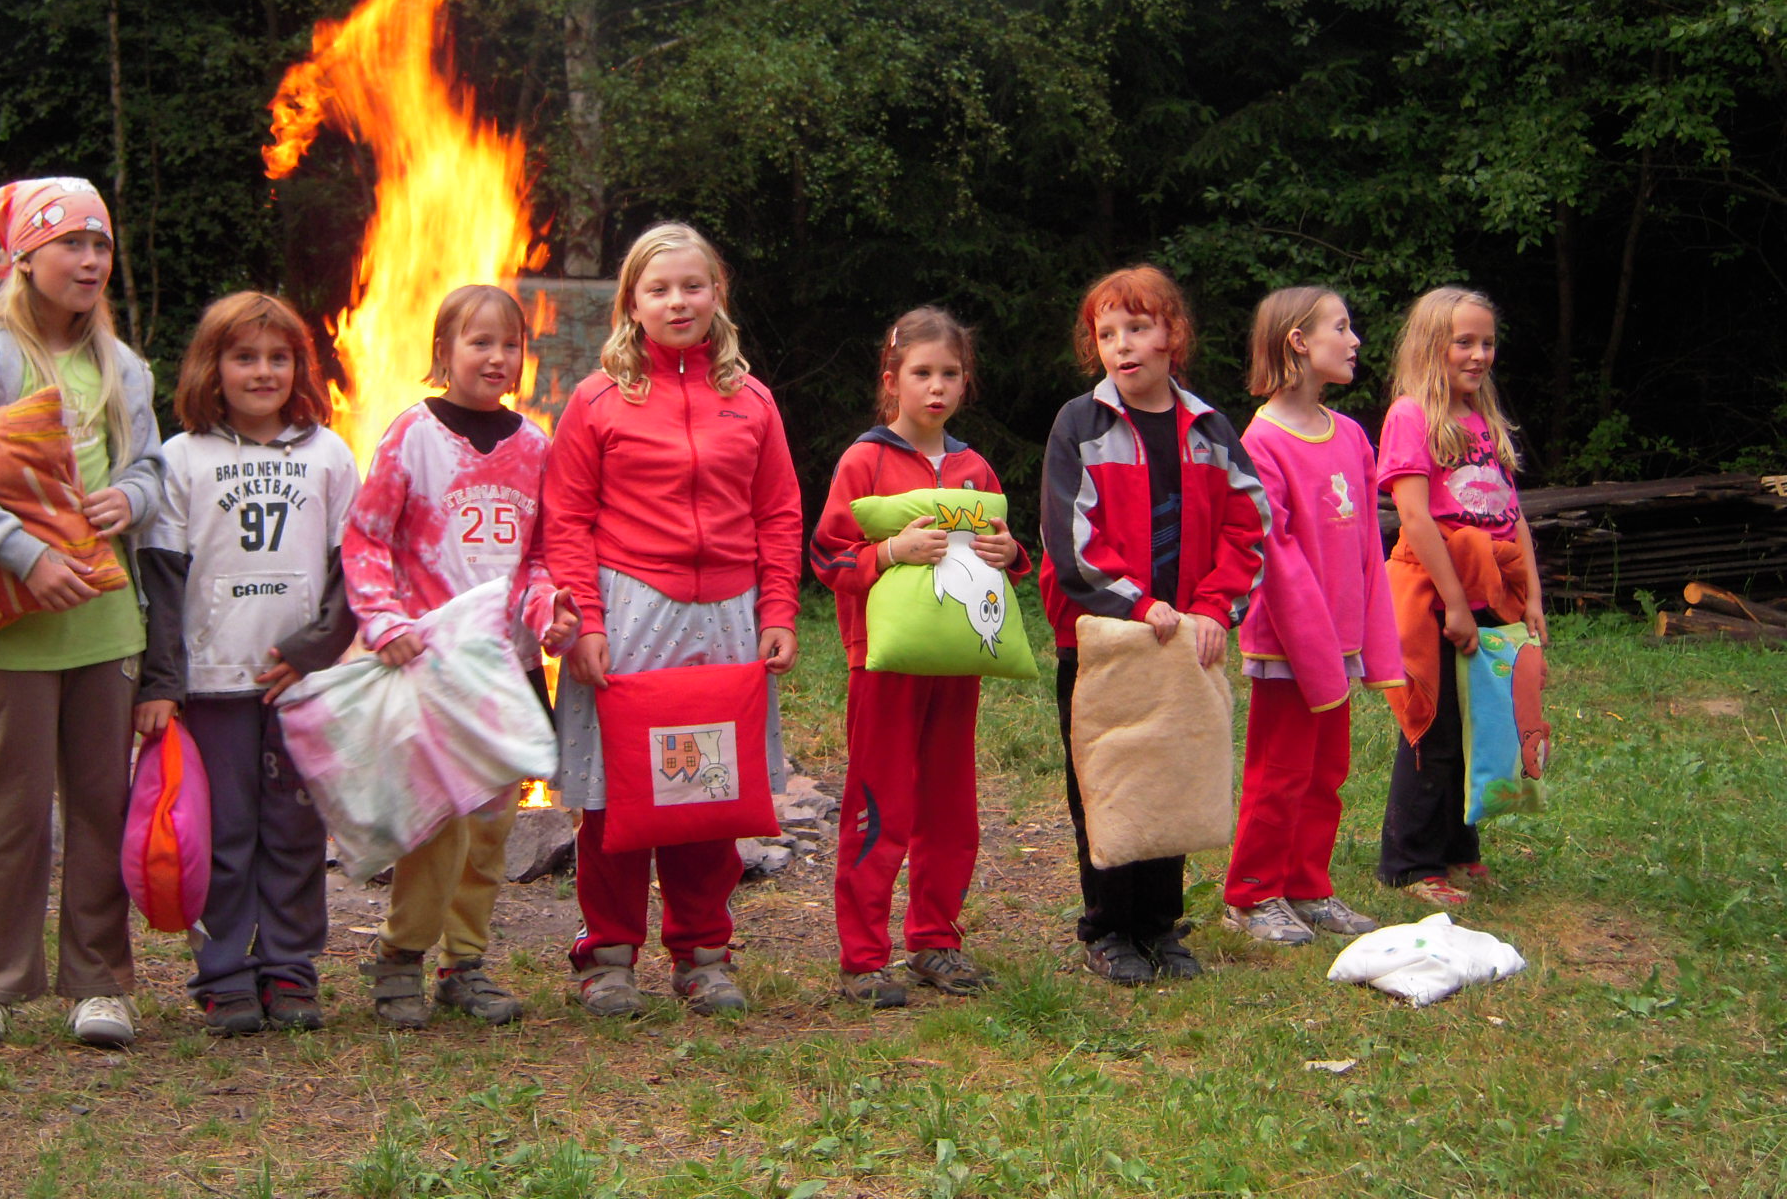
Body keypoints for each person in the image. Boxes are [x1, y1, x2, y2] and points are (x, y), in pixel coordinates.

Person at [0, 177, 164, 1048]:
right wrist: (25, 555)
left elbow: (150, 467)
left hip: (106, 621)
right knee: (12, 805)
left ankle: (100, 985)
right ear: (25, 257)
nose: (91, 261)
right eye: (72, 244)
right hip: (12, 617)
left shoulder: (123, 366)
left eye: (101, 245)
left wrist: (132, 496)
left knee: (101, 804)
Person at [541, 223, 802, 1017]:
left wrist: (778, 607)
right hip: (630, 610)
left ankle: (703, 953)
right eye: (659, 289)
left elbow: (778, 512)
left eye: (693, 286)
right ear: (633, 303)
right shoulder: (597, 399)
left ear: (717, 294)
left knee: (707, 791)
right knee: (615, 795)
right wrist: (585, 620)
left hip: (724, 616)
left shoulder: (751, 401)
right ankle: (608, 956)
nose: (678, 302)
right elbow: (566, 518)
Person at [343, 284, 577, 1029]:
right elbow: (367, 537)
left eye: (510, 345)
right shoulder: (412, 436)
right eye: (479, 343)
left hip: (503, 672)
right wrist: (384, 621)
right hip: (432, 669)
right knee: (437, 825)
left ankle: (464, 964)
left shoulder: (534, 446)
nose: (496, 357)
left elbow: (536, 560)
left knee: (491, 827)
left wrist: (548, 613)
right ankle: (401, 956)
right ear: (443, 352)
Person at [134, 292, 359, 1035]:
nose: (263, 372)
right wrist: (163, 684)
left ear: (299, 367)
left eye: (278, 357)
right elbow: (162, 580)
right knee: (222, 834)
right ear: (213, 366)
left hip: (298, 685)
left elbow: (351, 571)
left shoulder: (328, 455)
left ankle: (290, 968)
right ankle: (224, 972)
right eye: (244, 357)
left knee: (296, 833)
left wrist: (312, 651)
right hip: (215, 683)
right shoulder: (181, 458)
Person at [1038, 264, 1267, 985]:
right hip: (1104, 639)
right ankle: (1108, 928)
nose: (1122, 345)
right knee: (1108, 778)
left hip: (1184, 637)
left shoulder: (1210, 428)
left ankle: (1160, 925)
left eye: (1137, 328)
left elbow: (1249, 525)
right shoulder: (1080, 424)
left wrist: (1214, 607)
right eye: (1106, 334)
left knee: (1171, 774)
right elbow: (1069, 538)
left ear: (1173, 334)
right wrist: (1137, 603)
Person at [810, 307, 1026, 1006]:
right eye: (922, 373)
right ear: (892, 380)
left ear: (966, 382)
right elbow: (826, 555)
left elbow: (1002, 554)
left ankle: (936, 942)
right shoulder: (865, 460)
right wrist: (889, 552)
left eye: (950, 374)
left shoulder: (974, 468)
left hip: (956, 664)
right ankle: (863, 959)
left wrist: (1009, 552)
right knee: (880, 805)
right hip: (883, 666)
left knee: (951, 808)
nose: (937, 387)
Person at [1224, 288, 1400, 945]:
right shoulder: (1261, 443)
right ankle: (1251, 894)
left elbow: (1368, 549)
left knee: (1327, 771)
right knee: (1280, 772)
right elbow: (1276, 555)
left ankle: (1306, 884)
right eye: (1341, 327)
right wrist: (1316, 645)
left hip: (1341, 641)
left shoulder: (1351, 435)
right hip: (1288, 647)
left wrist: (1370, 638)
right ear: (1298, 341)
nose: (1355, 342)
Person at [1376, 287, 1547, 905]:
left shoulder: (1482, 418)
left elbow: (1512, 514)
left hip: (1491, 590)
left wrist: (1531, 597)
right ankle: (1411, 862)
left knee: (1482, 721)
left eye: (1488, 343)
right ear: (1431, 347)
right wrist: (1452, 603)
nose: (1479, 355)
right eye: (1464, 342)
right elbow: (1415, 519)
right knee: (1435, 724)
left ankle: (1458, 847)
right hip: (1434, 589)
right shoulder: (1411, 416)